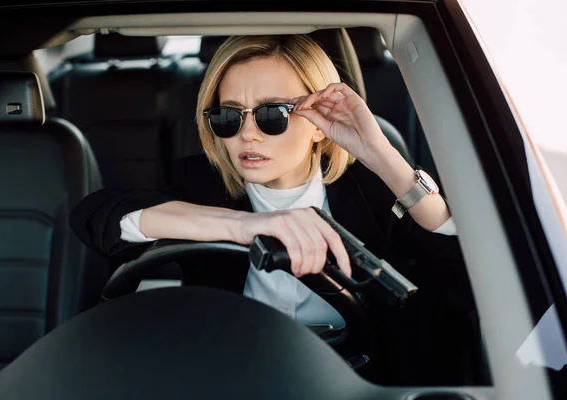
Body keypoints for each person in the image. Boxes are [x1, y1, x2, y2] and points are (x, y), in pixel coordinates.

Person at [70, 34, 479, 385]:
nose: (247, 133)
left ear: (319, 122)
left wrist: (382, 155)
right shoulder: (201, 183)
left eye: (272, 114)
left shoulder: (373, 187)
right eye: (228, 116)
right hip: (238, 374)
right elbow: (98, 218)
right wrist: (246, 225)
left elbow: (465, 286)